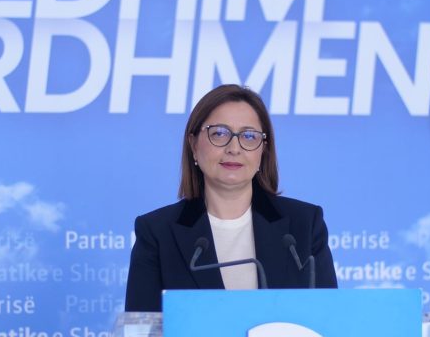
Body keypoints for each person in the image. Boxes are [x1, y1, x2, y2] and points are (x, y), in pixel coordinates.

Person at [125, 84, 337, 312]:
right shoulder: (157, 232)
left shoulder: (304, 225)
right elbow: (142, 329)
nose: (234, 148)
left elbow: (329, 319)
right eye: (219, 133)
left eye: (249, 136)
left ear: (263, 150)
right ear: (193, 144)